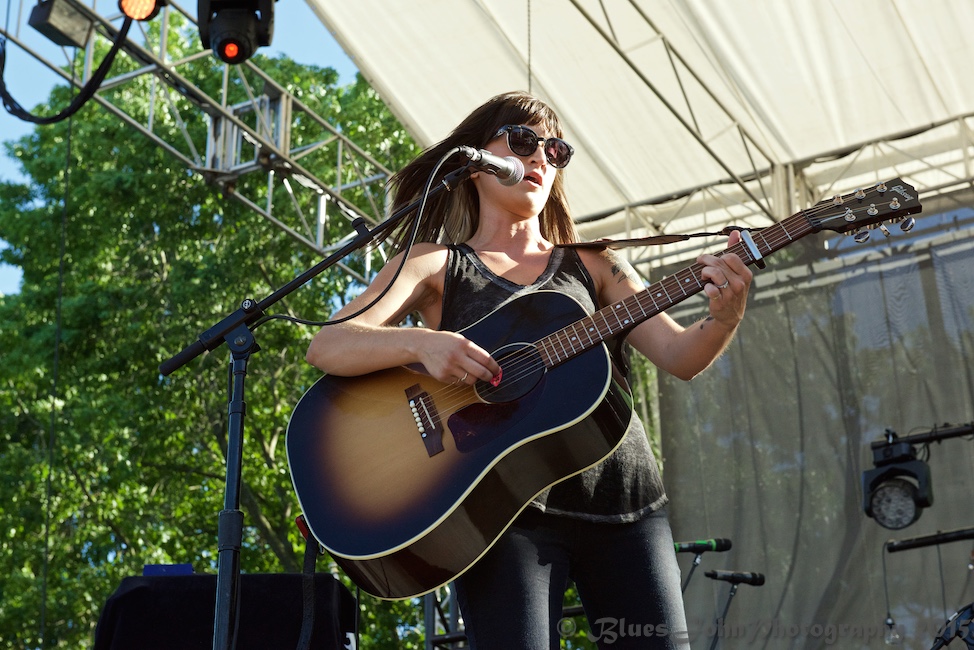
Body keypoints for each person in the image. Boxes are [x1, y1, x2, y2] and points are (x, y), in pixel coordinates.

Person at [306, 91, 752, 649]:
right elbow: (330, 344)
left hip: (625, 499)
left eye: (556, 150)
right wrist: (421, 343)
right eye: (523, 142)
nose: (541, 158)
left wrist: (726, 316)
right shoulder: (433, 264)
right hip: (505, 509)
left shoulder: (597, 263)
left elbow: (682, 357)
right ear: (475, 161)